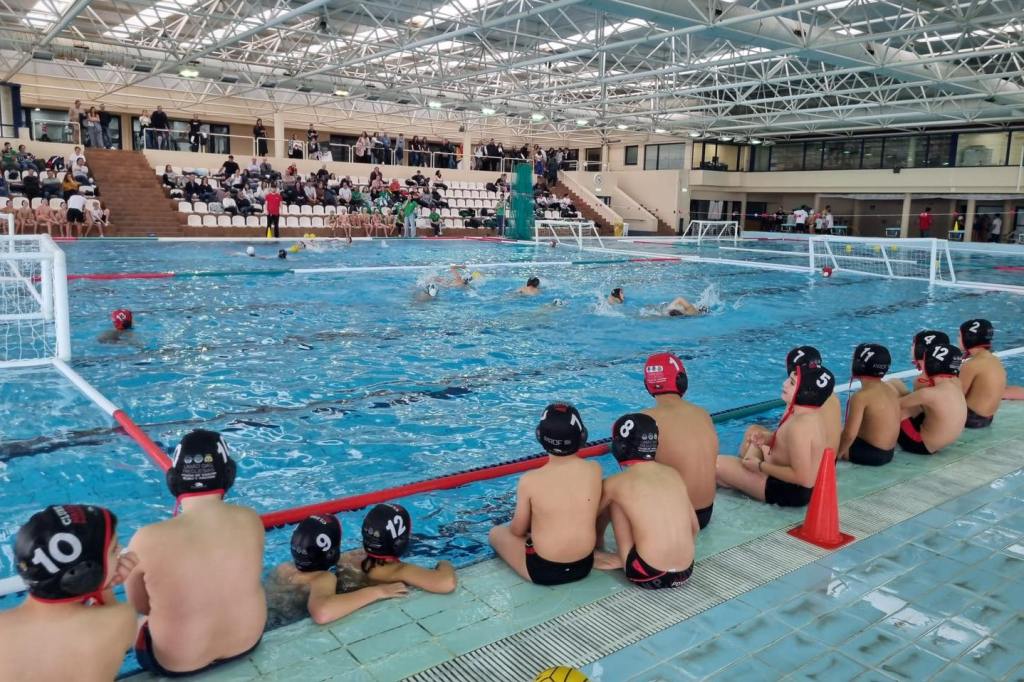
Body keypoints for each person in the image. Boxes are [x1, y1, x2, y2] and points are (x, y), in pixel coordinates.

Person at [125, 430, 266, 676]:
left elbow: (141, 607)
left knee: (127, 622)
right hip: (247, 642)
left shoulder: (146, 539)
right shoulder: (250, 520)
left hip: (177, 663)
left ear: (172, 479)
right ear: (229, 475)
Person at [0, 505, 137, 682]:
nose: (120, 550)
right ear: (85, 571)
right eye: (113, 550)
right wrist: (105, 587)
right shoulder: (121, 618)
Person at [489, 403, 601, 585]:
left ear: (539, 436)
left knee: (496, 533)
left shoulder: (530, 480)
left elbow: (517, 531)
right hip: (584, 565)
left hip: (544, 571)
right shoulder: (594, 469)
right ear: (582, 437)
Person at [594, 414, 698, 588]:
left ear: (620, 446)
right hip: (686, 571)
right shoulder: (673, 473)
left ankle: (614, 555)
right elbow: (694, 527)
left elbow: (587, 518)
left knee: (615, 500)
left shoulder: (616, 482)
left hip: (646, 573)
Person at [716, 365, 836, 507]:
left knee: (714, 464)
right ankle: (738, 478)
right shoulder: (808, 414)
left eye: (791, 382)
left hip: (787, 491)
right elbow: (791, 446)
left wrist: (760, 466)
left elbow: (804, 479)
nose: (784, 383)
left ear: (805, 392)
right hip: (790, 484)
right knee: (752, 437)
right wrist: (768, 438)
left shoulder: (800, 426)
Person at [268, 513, 407, 626]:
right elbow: (322, 613)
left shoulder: (282, 568)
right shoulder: (322, 577)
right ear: (331, 553)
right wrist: (378, 592)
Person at [639, 353, 718, 528]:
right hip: (705, 514)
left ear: (647, 385)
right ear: (681, 381)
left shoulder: (645, 419)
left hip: (677, 517)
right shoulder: (703, 413)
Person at [358, 503, 457, 592]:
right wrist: (444, 563)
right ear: (400, 543)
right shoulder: (399, 571)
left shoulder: (354, 558)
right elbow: (446, 584)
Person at [898, 343, 966, 455]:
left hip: (921, 444)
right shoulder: (956, 384)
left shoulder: (929, 394)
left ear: (931, 365)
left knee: (894, 405)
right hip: (941, 442)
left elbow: (893, 405)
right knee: (897, 385)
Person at [837, 344, 899, 466]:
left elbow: (849, 434)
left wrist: (838, 453)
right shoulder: (890, 389)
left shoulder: (861, 397)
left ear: (858, 366)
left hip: (870, 454)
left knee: (831, 433)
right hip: (888, 453)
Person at [958, 319, 1006, 428]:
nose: (958, 340)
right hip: (988, 418)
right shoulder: (994, 359)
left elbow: (957, 395)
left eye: (959, 336)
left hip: (972, 419)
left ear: (968, 338)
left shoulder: (971, 364)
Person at [891, 330, 950, 396]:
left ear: (919, 350)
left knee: (893, 384)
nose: (911, 348)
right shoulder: (948, 375)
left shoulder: (922, 380)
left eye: (913, 345)